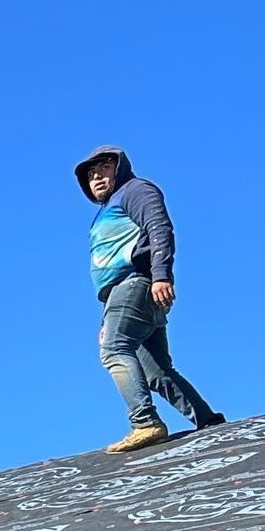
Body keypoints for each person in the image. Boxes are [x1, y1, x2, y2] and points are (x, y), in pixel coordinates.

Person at [75, 146, 224, 453]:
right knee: (157, 371)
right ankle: (207, 421)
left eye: (104, 167)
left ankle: (144, 422)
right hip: (124, 292)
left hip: (137, 283)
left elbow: (159, 227)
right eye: (91, 175)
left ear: (120, 166)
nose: (97, 176)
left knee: (114, 349)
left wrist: (161, 275)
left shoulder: (135, 190)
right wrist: (107, 317)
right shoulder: (106, 211)